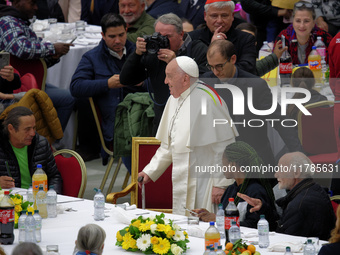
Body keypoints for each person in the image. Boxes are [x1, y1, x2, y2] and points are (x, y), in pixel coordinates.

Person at [138, 56, 238, 215]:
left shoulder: (209, 100)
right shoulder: (174, 98)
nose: (165, 81)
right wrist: (150, 171)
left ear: (185, 79)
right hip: (181, 180)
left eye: (169, 76)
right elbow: (168, 145)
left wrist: (221, 184)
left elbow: (225, 147)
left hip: (205, 183)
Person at [202, 39, 303, 168]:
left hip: (254, 160)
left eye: (220, 66)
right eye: (211, 67)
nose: (215, 72)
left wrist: (299, 153)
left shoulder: (255, 86)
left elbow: (280, 121)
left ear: (233, 59)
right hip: (219, 161)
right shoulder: (206, 83)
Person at [70, 13, 143, 166]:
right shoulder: (92, 57)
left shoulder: (138, 52)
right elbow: (76, 87)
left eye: (121, 35)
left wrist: (143, 82)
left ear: (127, 30)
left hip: (142, 113)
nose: (117, 40)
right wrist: (107, 84)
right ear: (102, 35)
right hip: (115, 122)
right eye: (112, 36)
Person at [120, 13, 208, 135]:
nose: (163, 41)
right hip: (163, 120)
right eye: (158, 36)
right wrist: (137, 54)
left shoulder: (198, 49)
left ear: (181, 34)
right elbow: (126, 79)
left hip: (191, 120)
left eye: (168, 37)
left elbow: (203, 84)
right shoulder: (154, 54)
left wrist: (175, 62)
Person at [0, 0, 75, 132]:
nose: (36, 8)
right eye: (32, 3)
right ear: (18, 2)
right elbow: (21, 48)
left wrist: (53, 57)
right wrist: (52, 48)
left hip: (28, 80)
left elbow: (36, 63)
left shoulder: (19, 21)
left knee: (68, 96)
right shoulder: (8, 21)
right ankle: (51, 142)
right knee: (67, 99)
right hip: (16, 88)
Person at [238, 151, 336, 240]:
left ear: (296, 173)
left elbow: (285, 242)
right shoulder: (311, 190)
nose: (276, 175)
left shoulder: (300, 204)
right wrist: (263, 208)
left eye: (280, 169)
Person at [193, 141, 278, 230]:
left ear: (232, 164)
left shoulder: (256, 191)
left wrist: (220, 220)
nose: (222, 168)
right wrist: (208, 215)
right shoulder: (230, 190)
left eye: (223, 164)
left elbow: (254, 226)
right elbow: (226, 218)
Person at [0, 106, 62, 192]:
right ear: (11, 129)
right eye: (27, 129)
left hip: (38, 198)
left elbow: (54, 176)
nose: (33, 133)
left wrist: (52, 195)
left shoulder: (41, 143)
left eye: (34, 128)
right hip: (9, 200)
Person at [189, 0, 257, 74]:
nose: (219, 21)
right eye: (214, 16)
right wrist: (212, 47)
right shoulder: (192, 38)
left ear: (232, 16)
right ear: (205, 16)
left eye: (224, 16)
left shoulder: (246, 39)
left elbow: (248, 69)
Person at [274, 1, 333, 65]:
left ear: (313, 23)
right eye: (298, 21)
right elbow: (275, 66)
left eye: (306, 21)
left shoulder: (325, 38)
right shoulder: (283, 38)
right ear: (292, 21)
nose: (302, 25)